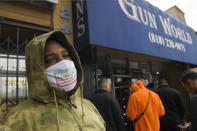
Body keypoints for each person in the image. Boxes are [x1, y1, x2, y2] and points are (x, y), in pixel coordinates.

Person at [0, 31, 105, 131]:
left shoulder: (88, 106)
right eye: (51, 59)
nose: (63, 62)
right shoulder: (18, 119)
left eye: (65, 55)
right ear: (37, 69)